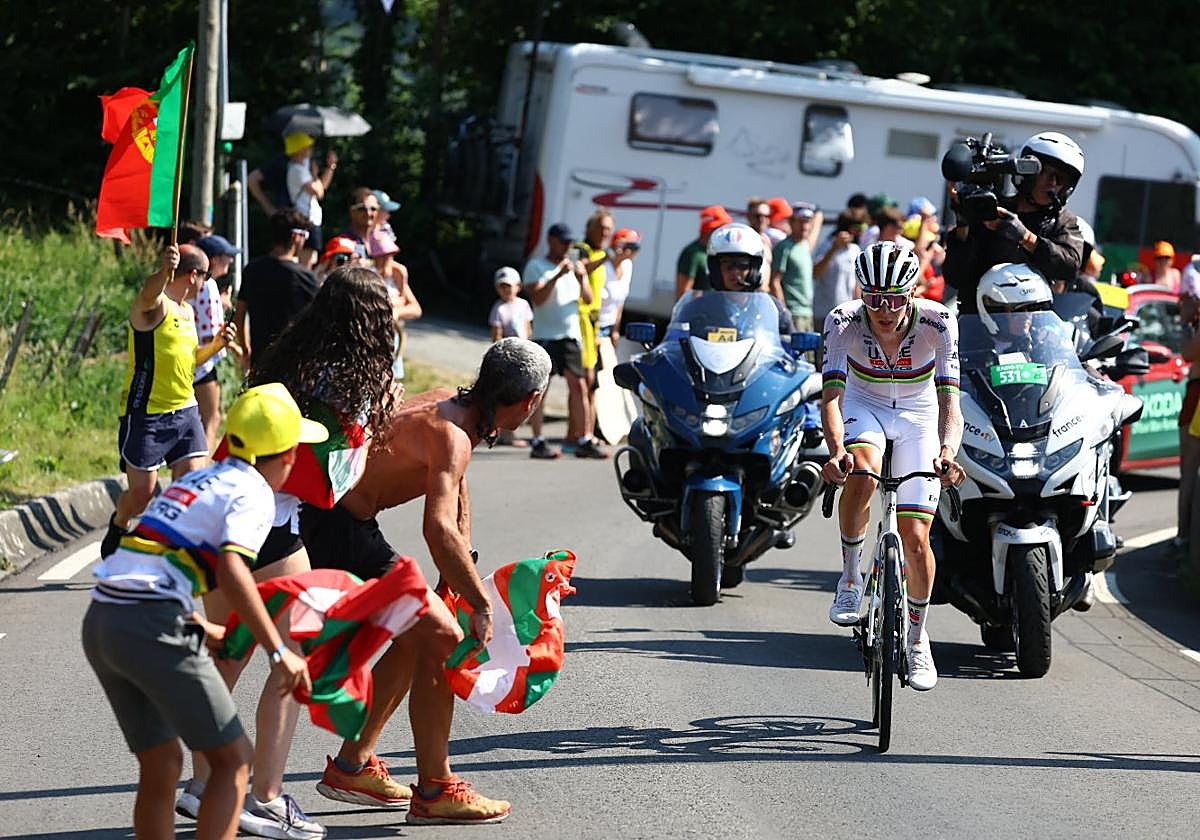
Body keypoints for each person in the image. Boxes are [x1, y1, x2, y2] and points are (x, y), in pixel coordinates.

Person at [179, 267, 401, 839]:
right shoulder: (355, 382)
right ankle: (267, 797)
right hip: (273, 526)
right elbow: (335, 484)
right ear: (374, 323)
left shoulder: (287, 360)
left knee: (226, 658)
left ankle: (203, 785)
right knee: (290, 664)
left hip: (222, 512)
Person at [302, 337, 552, 825]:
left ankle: (353, 765)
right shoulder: (453, 435)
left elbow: (456, 488)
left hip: (337, 519)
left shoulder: (452, 407)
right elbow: (437, 528)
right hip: (336, 528)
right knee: (443, 638)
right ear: (531, 400)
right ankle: (436, 788)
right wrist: (480, 604)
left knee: (420, 632)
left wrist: (458, 572)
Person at [84, 384, 320, 840]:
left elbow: (156, 558)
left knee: (162, 763)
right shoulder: (254, 492)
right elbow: (232, 569)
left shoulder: (196, 480)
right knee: (234, 762)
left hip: (102, 620)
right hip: (146, 620)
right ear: (289, 455)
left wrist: (200, 625)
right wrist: (278, 651)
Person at [820, 241, 965, 691]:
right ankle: (850, 578)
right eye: (874, 298)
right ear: (861, 293)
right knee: (862, 473)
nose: (884, 310)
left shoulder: (938, 322)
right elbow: (832, 397)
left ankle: (918, 640)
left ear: (913, 292)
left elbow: (950, 402)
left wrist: (947, 451)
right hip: (865, 404)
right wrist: (836, 451)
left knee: (916, 537)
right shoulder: (842, 321)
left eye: (895, 299)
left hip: (919, 415)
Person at [101, 244, 236, 558]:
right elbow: (148, 292)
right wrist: (164, 270)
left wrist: (216, 346)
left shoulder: (187, 311)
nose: (206, 285)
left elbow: (189, 361)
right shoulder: (155, 305)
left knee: (190, 487)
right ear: (193, 275)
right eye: (205, 277)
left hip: (186, 412)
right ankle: (120, 522)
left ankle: (173, 551)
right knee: (141, 495)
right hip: (147, 414)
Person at [943, 131, 1086, 313]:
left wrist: (1025, 237)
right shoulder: (992, 210)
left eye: (1060, 178)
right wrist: (963, 222)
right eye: (1045, 172)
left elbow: (1069, 267)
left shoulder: (1063, 222)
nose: (1052, 182)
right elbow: (956, 276)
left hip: (1033, 322)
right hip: (978, 319)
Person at [523, 222, 592, 459]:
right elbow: (538, 298)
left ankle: (584, 439)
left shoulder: (574, 268)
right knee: (540, 389)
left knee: (580, 387)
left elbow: (588, 299)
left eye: (570, 242)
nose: (567, 247)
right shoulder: (536, 266)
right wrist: (557, 275)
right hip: (545, 336)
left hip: (570, 335)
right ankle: (538, 440)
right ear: (551, 241)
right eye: (563, 242)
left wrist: (582, 278)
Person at [234, 209, 320, 371]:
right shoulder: (305, 277)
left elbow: (239, 315)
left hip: (260, 361)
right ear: (295, 237)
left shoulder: (252, 270)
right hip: (294, 364)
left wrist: (246, 349)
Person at [193, 235, 243, 452]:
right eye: (226, 257)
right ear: (213, 260)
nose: (230, 261)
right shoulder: (209, 285)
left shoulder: (191, 282)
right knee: (211, 418)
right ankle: (202, 465)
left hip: (188, 359)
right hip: (203, 364)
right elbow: (210, 334)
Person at [574, 210, 615, 458]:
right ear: (590, 228)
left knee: (591, 381)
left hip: (595, 322)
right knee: (583, 379)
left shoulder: (602, 253)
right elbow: (581, 268)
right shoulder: (583, 249)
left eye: (608, 228)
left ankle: (585, 432)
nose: (605, 233)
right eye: (601, 227)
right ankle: (581, 434)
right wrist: (605, 258)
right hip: (580, 319)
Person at [706, 223, 793, 335]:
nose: (735, 272)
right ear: (716, 270)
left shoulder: (772, 309)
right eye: (728, 266)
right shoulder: (700, 309)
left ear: (754, 269)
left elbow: (792, 341)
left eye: (743, 265)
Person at [284, 132, 336, 267]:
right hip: (306, 219)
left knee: (311, 260)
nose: (310, 150)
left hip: (310, 219)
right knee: (306, 262)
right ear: (300, 149)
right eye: (307, 147)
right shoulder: (297, 169)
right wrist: (314, 174)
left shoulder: (301, 167)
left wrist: (330, 167)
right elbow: (318, 192)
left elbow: (321, 188)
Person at [771, 202, 821, 331]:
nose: (804, 226)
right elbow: (775, 282)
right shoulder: (783, 247)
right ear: (791, 222)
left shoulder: (805, 245)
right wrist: (784, 311)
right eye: (800, 222)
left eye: (807, 222)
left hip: (807, 313)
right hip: (793, 313)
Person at [812, 207, 865, 327]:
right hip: (824, 314)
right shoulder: (826, 245)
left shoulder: (855, 250)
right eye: (860, 227)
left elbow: (856, 286)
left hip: (848, 315)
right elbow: (815, 273)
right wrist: (834, 248)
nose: (862, 231)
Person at [676, 205, 733, 299]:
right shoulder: (693, 253)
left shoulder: (720, 252)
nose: (724, 232)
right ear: (709, 229)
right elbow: (683, 294)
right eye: (721, 228)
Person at [599, 228, 640, 345]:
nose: (636, 251)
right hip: (595, 326)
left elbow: (620, 303)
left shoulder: (627, 266)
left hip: (609, 326)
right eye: (633, 247)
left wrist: (615, 331)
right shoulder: (603, 268)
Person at [489, 267, 533, 341]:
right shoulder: (498, 308)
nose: (505, 289)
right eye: (502, 287)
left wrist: (529, 341)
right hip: (508, 345)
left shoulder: (524, 304)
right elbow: (496, 334)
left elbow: (528, 327)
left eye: (509, 286)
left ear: (518, 286)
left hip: (523, 343)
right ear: (496, 288)